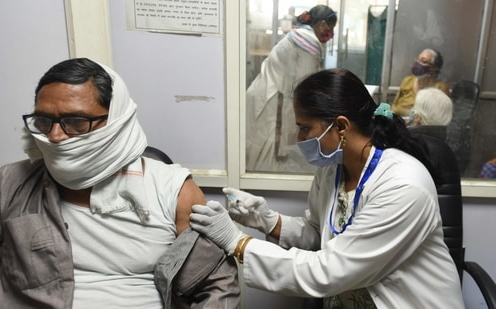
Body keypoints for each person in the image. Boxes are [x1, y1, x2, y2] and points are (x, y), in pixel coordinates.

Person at [0, 58, 240, 308]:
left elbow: (217, 286)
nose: (56, 137)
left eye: (76, 121)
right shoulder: (7, 186)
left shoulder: (172, 189)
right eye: (44, 121)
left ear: (115, 120)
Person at [191, 68, 465, 308]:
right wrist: (267, 220)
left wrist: (237, 243)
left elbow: (330, 270)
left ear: (341, 127)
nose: (299, 139)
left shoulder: (403, 186)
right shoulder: (334, 168)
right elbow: (319, 233)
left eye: (304, 128)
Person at [246, 4, 337, 173]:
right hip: (273, 100)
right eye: (331, 28)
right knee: (271, 153)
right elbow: (306, 84)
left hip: (264, 94)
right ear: (323, 24)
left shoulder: (298, 34)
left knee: (259, 149)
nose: (330, 33)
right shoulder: (309, 40)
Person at [391, 48, 450, 117]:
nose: (418, 64)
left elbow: (440, 116)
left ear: (433, 68)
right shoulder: (407, 81)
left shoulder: (440, 88)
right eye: (418, 60)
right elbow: (394, 107)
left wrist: (413, 115)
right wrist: (410, 113)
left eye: (423, 61)